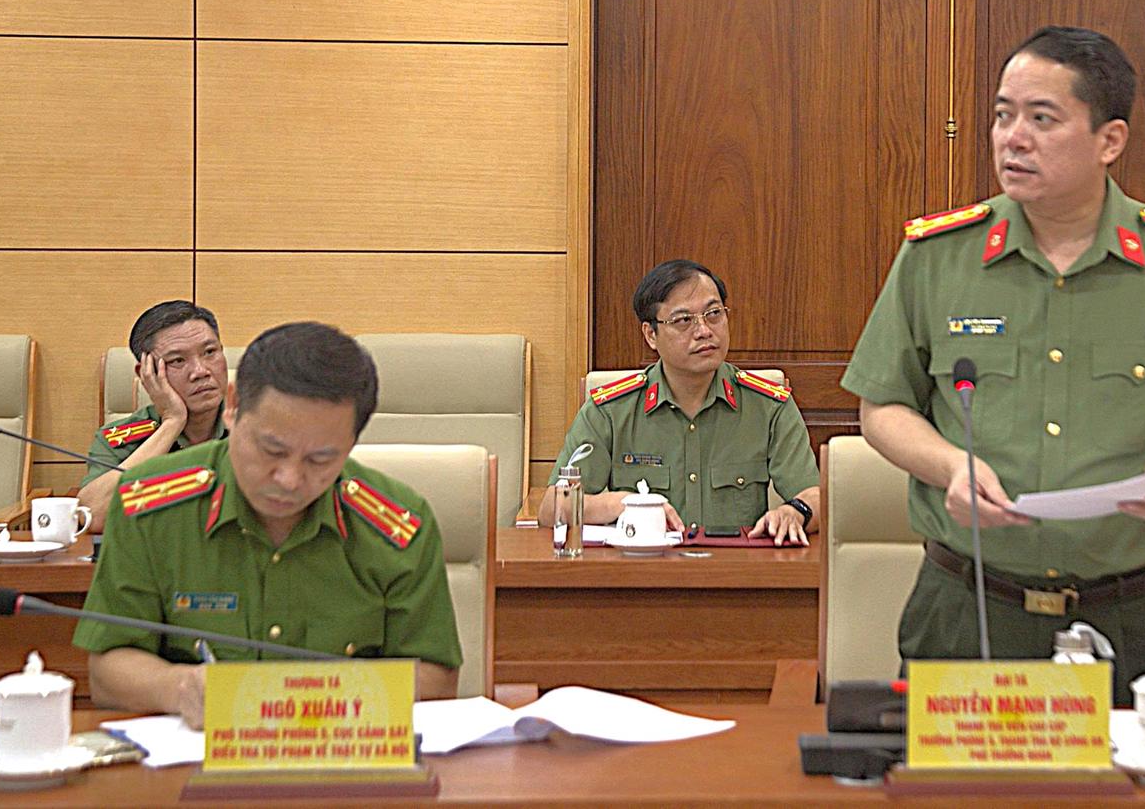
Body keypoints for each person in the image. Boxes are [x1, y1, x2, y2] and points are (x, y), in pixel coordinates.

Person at [842, 25, 1145, 704]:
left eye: (1042, 119)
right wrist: (951, 465)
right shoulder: (938, 255)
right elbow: (883, 407)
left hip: (1126, 613)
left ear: (1110, 140)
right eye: (1003, 115)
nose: (1013, 138)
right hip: (969, 607)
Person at [73, 321, 461, 727]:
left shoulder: (396, 524)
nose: (289, 479)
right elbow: (108, 670)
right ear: (233, 405)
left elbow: (436, 678)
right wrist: (180, 686)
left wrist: (300, 701)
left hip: (345, 748)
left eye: (321, 459)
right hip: (196, 750)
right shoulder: (149, 505)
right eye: (272, 449)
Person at [539, 260, 821, 546]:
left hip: (737, 567)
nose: (704, 330)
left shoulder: (769, 406)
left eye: (713, 314)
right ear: (651, 335)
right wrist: (623, 503)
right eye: (684, 320)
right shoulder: (611, 411)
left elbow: (818, 497)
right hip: (645, 568)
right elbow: (551, 508)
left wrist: (795, 511)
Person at [80, 301, 230, 531]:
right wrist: (172, 422)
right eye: (178, 360)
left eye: (210, 352)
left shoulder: (258, 426)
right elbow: (92, 516)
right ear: (146, 373)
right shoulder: (121, 441)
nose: (200, 371)